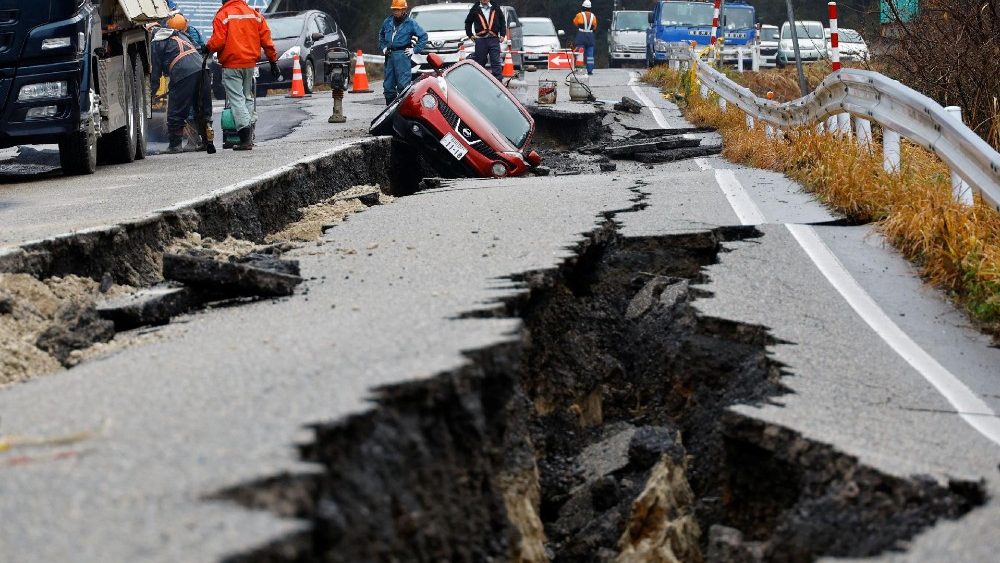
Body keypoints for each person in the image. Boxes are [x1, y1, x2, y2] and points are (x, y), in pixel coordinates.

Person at [205, 0, 279, 151]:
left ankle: (245, 138)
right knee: (247, 97)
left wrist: (207, 47)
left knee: (237, 100)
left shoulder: (223, 15)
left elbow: (218, 41)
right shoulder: (254, 15)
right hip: (249, 64)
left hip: (232, 65)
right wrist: (273, 61)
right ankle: (250, 133)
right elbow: (267, 40)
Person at [149, 16, 212, 153]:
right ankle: (208, 142)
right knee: (201, 108)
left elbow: (156, 71)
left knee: (175, 110)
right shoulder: (182, 35)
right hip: (203, 70)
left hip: (183, 72)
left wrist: (151, 93)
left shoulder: (157, 42)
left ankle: (175, 145)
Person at [378, 0, 428, 105]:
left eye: (398, 10)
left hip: (402, 56)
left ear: (404, 10)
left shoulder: (410, 23)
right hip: (390, 56)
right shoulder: (387, 22)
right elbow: (381, 36)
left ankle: (402, 109)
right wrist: (383, 48)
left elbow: (423, 36)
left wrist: (414, 50)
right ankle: (390, 110)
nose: (395, 12)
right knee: (388, 86)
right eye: (394, 9)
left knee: (403, 86)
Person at [465, 0, 506, 81]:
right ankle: (480, 81)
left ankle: (498, 82)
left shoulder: (496, 7)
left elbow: (502, 22)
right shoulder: (475, 8)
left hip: (494, 38)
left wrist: (502, 35)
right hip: (480, 40)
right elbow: (468, 22)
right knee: (480, 62)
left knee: (496, 62)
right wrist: (470, 35)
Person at [572, 0, 598, 75]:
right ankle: (590, 70)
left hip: (581, 35)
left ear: (583, 7)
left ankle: (579, 70)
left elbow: (575, 23)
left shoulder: (579, 15)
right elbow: (595, 27)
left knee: (580, 53)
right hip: (590, 35)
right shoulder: (593, 16)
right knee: (590, 54)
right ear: (590, 8)